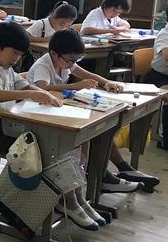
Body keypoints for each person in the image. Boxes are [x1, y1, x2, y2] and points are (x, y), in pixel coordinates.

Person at [28, 28, 158, 194]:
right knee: (90, 134)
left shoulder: (65, 61)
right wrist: (75, 86)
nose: (72, 63)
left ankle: (108, 173)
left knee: (101, 129)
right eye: (70, 60)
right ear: (53, 54)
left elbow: (86, 74)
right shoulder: (43, 65)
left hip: (57, 110)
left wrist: (106, 82)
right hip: (39, 117)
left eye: (76, 59)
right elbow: (43, 88)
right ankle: (97, 178)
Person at [0, 22, 61, 153]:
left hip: (8, 121)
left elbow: (26, 86)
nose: (16, 59)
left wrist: (47, 95)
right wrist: (31, 94)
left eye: (20, 55)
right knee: (36, 147)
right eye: (14, 52)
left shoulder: (6, 68)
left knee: (48, 137)